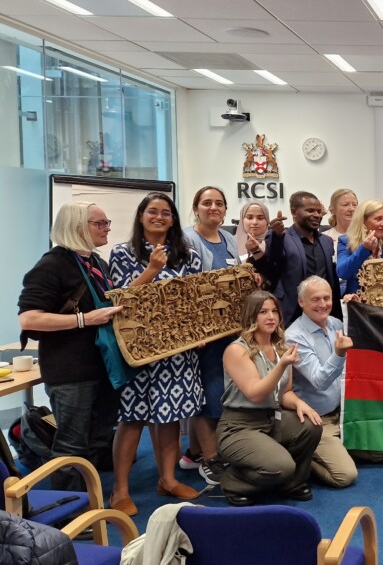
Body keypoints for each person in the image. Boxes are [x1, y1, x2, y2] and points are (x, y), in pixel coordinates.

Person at [17, 202, 123, 492]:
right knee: (72, 444)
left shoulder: (96, 263)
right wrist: (84, 320)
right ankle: (70, 510)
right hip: (71, 371)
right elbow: (29, 318)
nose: (107, 228)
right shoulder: (52, 265)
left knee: (98, 439)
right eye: (99, 223)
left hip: (102, 366)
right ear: (77, 228)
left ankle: (86, 500)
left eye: (106, 222)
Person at [108, 192, 203, 514]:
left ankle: (168, 479)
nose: (159, 217)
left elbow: (194, 300)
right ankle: (120, 490)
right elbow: (119, 301)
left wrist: (199, 332)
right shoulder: (122, 253)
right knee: (132, 417)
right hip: (139, 351)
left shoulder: (187, 255)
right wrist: (150, 270)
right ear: (141, 216)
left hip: (177, 352)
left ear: (173, 219)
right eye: (152, 211)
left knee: (171, 415)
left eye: (166, 212)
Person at [218, 291, 323, 506]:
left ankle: (292, 483)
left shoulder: (280, 348)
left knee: (311, 425)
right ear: (251, 316)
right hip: (239, 426)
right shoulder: (237, 350)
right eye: (263, 312)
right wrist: (282, 365)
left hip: (270, 419)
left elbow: (285, 393)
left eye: (274, 311)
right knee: (281, 466)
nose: (271, 317)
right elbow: (255, 393)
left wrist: (299, 403)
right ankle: (233, 481)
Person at [181, 186, 241, 487]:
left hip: (227, 330)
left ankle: (193, 452)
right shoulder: (187, 239)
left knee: (216, 390)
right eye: (207, 203)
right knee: (208, 394)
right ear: (196, 208)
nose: (213, 208)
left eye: (219, 203)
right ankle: (210, 459)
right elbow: (185, 289)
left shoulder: (229, 238)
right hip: (202, 334)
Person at [284, 277, 360, 487]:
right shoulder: (294, 337)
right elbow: (319, 381)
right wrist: (338, 354)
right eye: (315, 299)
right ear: (301, 302)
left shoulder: (335, 323)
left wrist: (355, 308)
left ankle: (335, 447)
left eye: (327, 298)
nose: (323, 304)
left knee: (381, 453)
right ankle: (299, 455)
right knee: (345, 476)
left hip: (343, 414)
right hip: (318, 422)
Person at [267, 191, 342, 325]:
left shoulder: (327, 241)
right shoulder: (281, 237)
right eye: (310, 211)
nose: (316, 215)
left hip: (323, 310)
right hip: (292, 312)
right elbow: (272, 264)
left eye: (319, 212)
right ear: (294, 212)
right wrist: (277, 238)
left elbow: (332, 279)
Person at [336, 199, 383, 296]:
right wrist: (364, 249)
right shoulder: (346, 241)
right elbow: (342, 272)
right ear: (363, 221)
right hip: (358, 303)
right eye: (378, 219)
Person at [234, 200, 280, 291]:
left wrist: (257, 251)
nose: (255, 222)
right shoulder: (229, 242)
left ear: (267, 221)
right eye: (250, 217)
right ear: (242, 220)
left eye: (260, 218)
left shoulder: (274, 243)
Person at [322, 189, 358, 264]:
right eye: (345, 204)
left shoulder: (368, 236)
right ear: (333, 210)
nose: (351, 209)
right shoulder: (324, 237)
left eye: (354, 205)